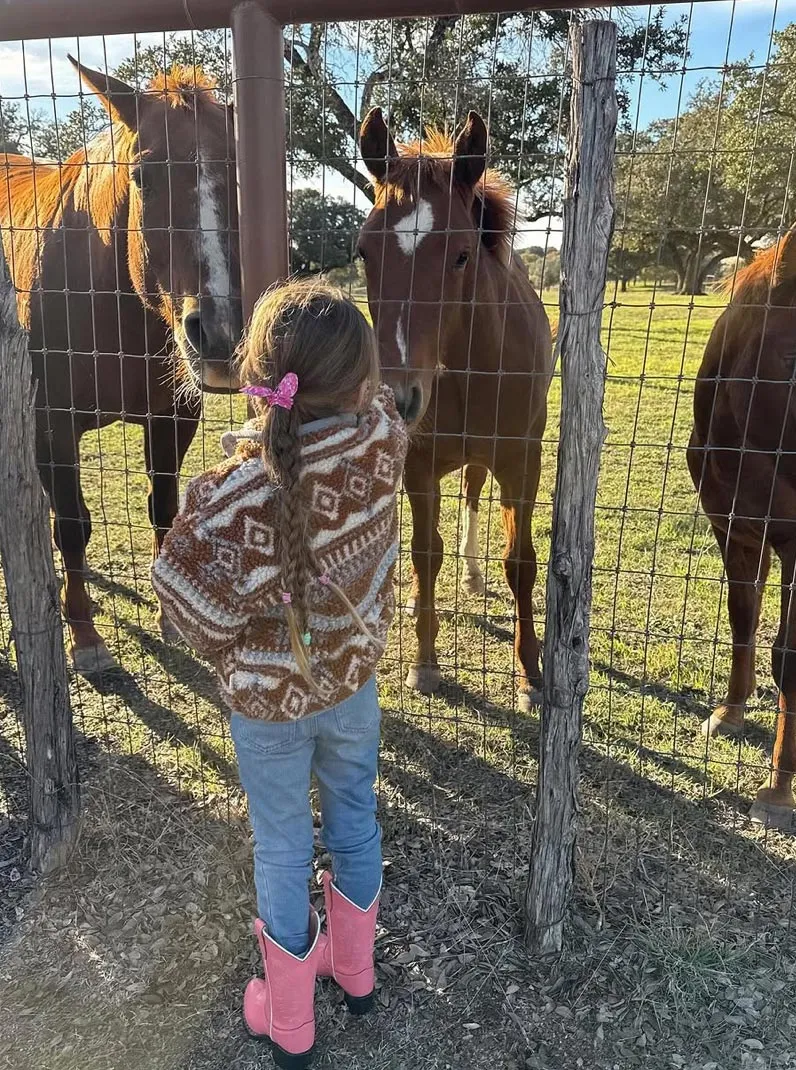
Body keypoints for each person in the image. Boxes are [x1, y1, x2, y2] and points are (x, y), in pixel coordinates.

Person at [152, 280, 408, 1069]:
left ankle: (289, 1019)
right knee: (355, 820)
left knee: (283, 846)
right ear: (361, 384)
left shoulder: (231, 500)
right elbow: (379, 415)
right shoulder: (384, 441)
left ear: (255, 375)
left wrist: (241, 636)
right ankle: (355, 973)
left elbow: (186, 613)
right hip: (353, 690)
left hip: (268, 710)